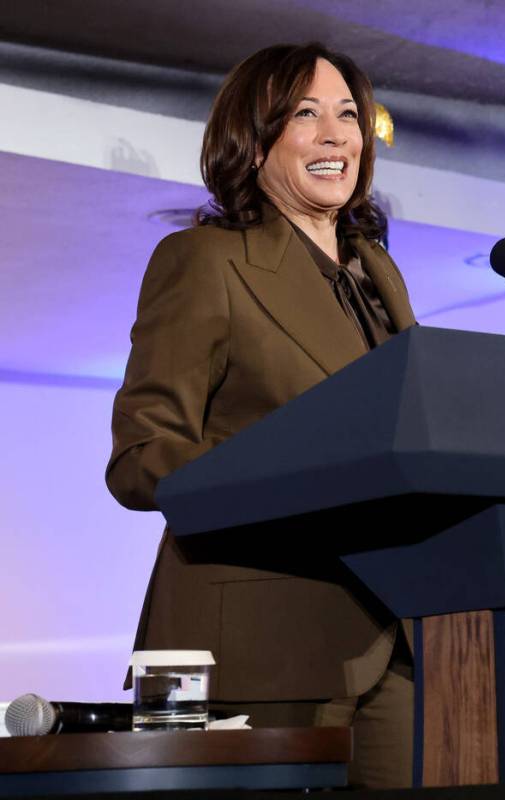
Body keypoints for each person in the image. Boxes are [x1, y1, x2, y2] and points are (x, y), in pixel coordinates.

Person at [105, 43, 416, 790]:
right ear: (254, 138)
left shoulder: (379, 275)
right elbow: (141, 453)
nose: (337, 135)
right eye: (306, 115)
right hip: (259, 637)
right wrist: (278, 472)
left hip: (395, 636)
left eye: (348, 116)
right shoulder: (206, 260)